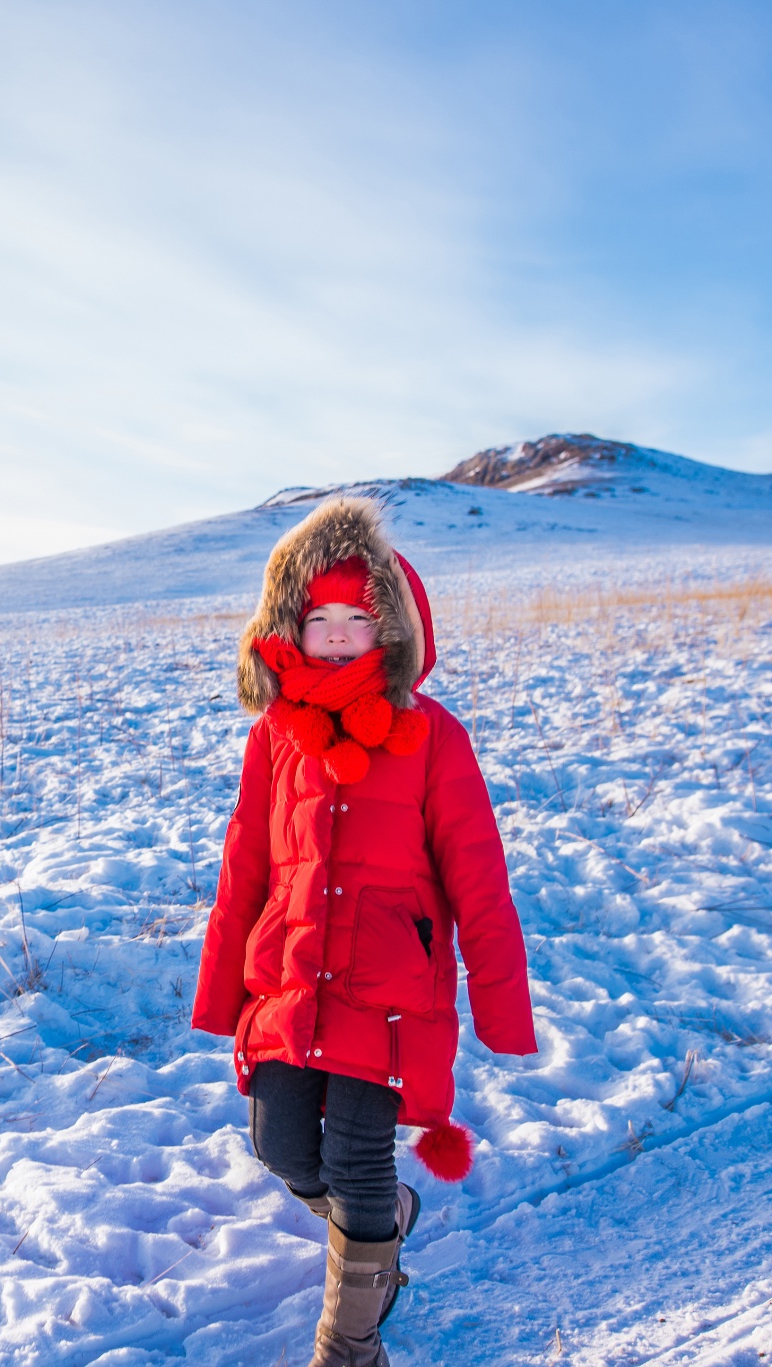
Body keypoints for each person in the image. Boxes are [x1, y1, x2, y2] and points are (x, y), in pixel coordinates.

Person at [191, 496, 537, 1367]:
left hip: (388, 992)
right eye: (320, 618)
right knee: (279, 1146)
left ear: (393, 625)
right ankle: (383, 1227)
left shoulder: (432, 736)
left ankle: (350, 1347)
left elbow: (480, 879)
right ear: (289, 626)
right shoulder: (274, 736)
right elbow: (246, 865)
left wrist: (501, 1009)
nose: (340, 635)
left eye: (359, 616)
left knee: (355, 1155)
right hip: (290, 980)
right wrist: (222, 988)